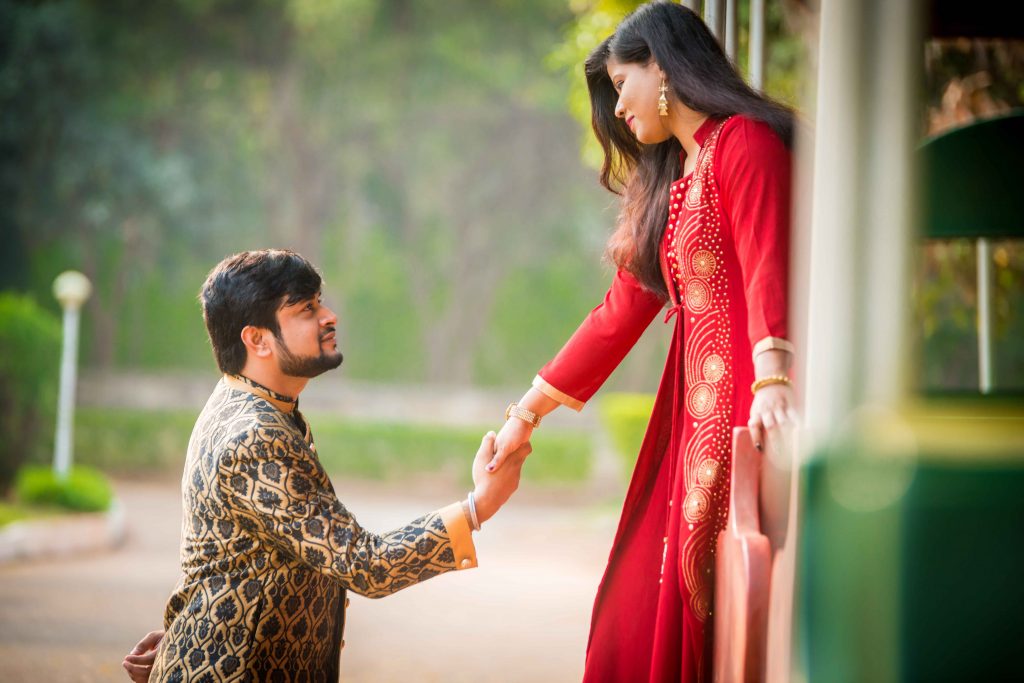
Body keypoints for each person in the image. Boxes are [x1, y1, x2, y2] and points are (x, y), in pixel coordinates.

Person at [485, 3, 797, 681]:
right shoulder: (678, 181)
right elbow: (617, 314)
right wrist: (523, 415)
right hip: (691, 418)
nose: (619, 109)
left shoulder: (743, 144)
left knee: (706, 589)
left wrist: (773, 379)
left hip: (740, 412)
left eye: (621, 84)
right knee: (648, 587)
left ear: (662, 65)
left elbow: (768, 257)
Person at [122, 249, 530, 683]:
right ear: (257, 340)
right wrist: (478, 508)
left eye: (320, 302)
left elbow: (230, 555)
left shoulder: (245, 403)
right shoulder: (255, 435)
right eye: (306, 309)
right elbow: (365, 563)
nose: (329, 316)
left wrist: (189, 636)